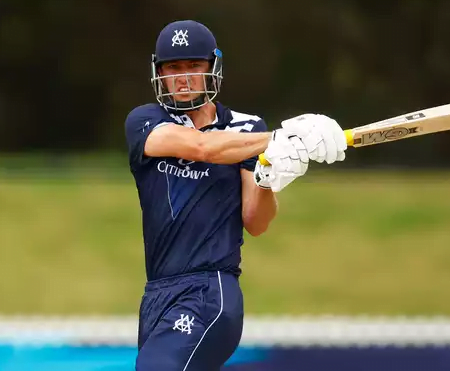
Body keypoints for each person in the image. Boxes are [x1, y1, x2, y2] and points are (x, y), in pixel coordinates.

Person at [124, 19, 347, 371]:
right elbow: (202, 147)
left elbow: (256, 222)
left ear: (212, 68)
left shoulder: (246, 127)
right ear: (159, 72)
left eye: (193, 66)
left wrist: (265, 177)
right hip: (157, 293)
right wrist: (282, 137)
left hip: (210, 291)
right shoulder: (145, 121)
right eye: (173, 68)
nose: (182, 77)